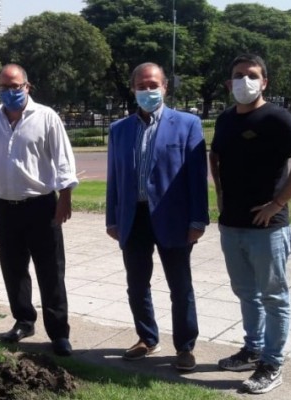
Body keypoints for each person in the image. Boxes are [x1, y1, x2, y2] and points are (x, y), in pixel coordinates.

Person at [210, 54, 291, 394]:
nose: (244, 81)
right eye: (238, 75)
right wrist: (220, 196)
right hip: (232, 225)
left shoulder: (277, 117)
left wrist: (277, 203)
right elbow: (215, 157)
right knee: (246, 293)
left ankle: (272, 363)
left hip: (268, 230)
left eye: (252, 75)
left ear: (265, 81)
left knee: (273, 297)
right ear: (229, 83)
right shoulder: (226, 119)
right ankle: (252, 348)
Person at [0, 63, 78, 357]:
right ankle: (24, 321)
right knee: (14, 270)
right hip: (5, 207)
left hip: (41, 206)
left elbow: (64, 160)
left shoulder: (46, 117)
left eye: (15, 86)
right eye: (3, 87)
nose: (9, 92)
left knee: (50, 271)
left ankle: (59, 333)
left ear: (27, 86)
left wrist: (65, 197)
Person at [105, 62, 209, 371]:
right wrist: (112, 218)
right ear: (133, 89)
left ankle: (185, 346)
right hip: (132, 218)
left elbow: (196, 177)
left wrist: (197, 220)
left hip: (172, 217)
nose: (147, 90)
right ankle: (147, 338)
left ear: (164, 87)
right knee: (136, 284)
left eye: (153, 85)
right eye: (141, 85)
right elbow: (114, 177)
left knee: (180, 286)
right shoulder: (119, 129)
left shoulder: (187, 124)